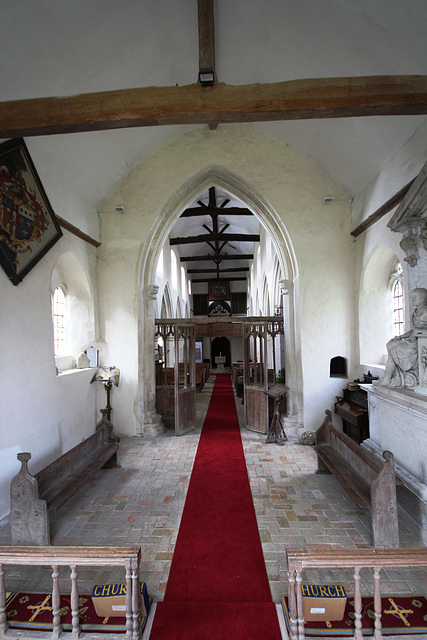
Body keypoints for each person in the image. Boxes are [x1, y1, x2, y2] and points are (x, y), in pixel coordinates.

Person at [381, 288, 427, 388]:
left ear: (423, 298)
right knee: (390, 344)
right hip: (413, 339)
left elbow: (421, 331)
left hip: (420, 342)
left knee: (394, 349)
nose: (412, 299)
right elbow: (414, 330)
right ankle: (390, 377)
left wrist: (413, 337)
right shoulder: (415, 312)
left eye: (415, 297)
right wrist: (401, 337)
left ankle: (388, 378)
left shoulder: (425, 313)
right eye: (412, 297)